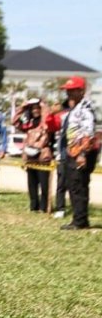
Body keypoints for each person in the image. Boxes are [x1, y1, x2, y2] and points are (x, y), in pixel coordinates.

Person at [56, 76, 98, 230]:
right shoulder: (75, 108)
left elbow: (88, 133)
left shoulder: (85, 109)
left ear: (81, 90)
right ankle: (80, 218)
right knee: (74, 185)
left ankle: (79, 221)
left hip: (81, 152)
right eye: (67, 90)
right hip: (73, 151)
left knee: (78, 186)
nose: (68, 93)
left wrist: (82, 155)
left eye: (72, 90)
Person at [12, 98, 51, 212]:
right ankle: (34, 206)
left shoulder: (45, 123)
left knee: (44, 184)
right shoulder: (29, 124)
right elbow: (14, 122)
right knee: (32, 184)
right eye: (33, 109)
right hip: (30, 156)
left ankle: (44, 207)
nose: (35, 111)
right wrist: (22, 108)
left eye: (37, 108)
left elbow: (47, 116)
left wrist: (42, 105)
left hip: (42, 156)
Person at [45, 99, 72, 218]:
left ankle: (79, 209)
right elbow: (51, 126)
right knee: (61, 183)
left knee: (76, 184)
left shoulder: (81, 114)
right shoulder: (62, 116)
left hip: (76, 154)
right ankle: (61, 208)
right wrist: (51, 113)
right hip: (63, 155)